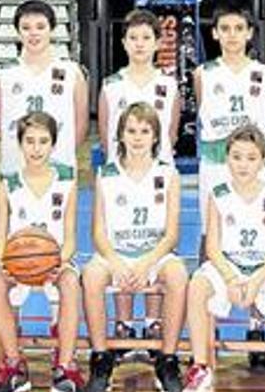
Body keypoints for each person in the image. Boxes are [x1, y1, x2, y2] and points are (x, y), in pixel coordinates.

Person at [181, 125, 265, 392]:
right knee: (197, 286)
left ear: (263, 161)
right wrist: (231, 278)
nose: (243, 164)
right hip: (227, 265)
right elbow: (213, 247)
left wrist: (256, 280)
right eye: (236, 157)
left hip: (264, 267)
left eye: (251, 158)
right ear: (227, 159)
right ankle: (200, 366)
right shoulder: (218, 195)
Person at [82, 103, 187, 392]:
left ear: (156, 137)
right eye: (131, 130)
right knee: (91, 276)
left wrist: (144, 264)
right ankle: (101, 357)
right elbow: (98, 232)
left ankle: (167, 358)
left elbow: (171, 235)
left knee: (178, 275)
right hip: (115, 253)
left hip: (155, 254)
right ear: (121, 135)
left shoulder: (168, 174)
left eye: (145, 131)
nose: (138, 137)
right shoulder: (106, 174)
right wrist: (116, 262)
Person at [194, 3, 265, 368]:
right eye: (224, 28)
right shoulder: (202, 73)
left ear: (249, 32)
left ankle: (257, 331)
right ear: (214, 34)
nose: (231, 34)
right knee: (208, 239)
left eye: (237, 28)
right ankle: (206, 327)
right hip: (216, 163)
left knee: (262, 241)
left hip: (255, 165)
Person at [97, 8, 181, 358]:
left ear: (158, 42)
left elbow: (172, 132)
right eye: (133, 38)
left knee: (152, 239)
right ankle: (123, 323)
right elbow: (105, 133)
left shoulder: (169, 84)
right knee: (122, 241)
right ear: (123, 42)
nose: (140, 44)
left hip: (156, 173)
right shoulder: (112, 85)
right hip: (121, 173)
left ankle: (154, 322)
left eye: (147, 37)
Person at [0, 111, 84, 392]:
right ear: (20, 144)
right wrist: (2, 261)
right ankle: (14, 363)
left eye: (43, 141)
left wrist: (59, 261)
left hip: (54, 260)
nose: (36, 148)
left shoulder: (67, 180)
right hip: (16, 261)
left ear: (53, 144)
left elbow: (70, 236)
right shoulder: (7, 181)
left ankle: (65, 366)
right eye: (29, 141)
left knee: (69, 282)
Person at [0, 0, 89, 176]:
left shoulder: (71, 72)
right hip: (15, 169)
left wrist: (58, 153)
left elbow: (81, 127)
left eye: (40, 26)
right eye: (26, 28)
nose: (33, 33)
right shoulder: (4, 74)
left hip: (59, 166)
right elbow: (2, 124)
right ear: (18, 32)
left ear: (51, 29)